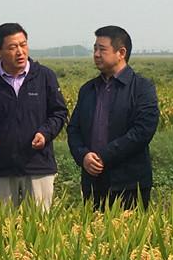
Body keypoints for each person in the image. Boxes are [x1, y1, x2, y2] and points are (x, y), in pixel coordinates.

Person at [0, 23, 68, 210]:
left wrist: (45, 133)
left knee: (40, 223)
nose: (20, 52)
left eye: (23, 45)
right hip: (0, 168)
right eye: (12, 47)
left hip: (38, 165)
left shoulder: (44, 76)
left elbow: (59, 112)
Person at [67, 26, 159, 209]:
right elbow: (74, 129)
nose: (96, 54)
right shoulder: (88, 89)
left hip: (129, 185)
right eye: (95, 49)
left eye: (102, 49)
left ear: (121, 53)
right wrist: (83, 156)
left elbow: (142, 132)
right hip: (93, 183)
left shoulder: (142, 88)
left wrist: (104, 156)